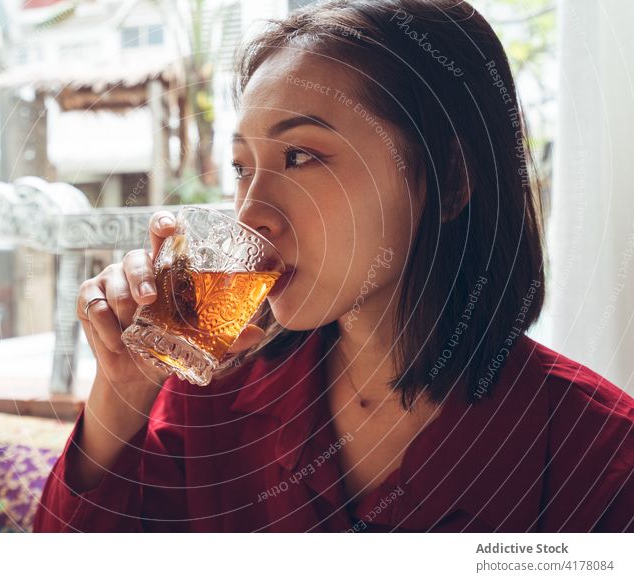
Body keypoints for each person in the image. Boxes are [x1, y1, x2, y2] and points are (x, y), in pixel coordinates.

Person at [33, 0, 633, 532]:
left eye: (300, 156)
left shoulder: (600, 458)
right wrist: (120, 391)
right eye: (242, 168)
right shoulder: (208, 401)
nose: (252, 214)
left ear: (451, 179)